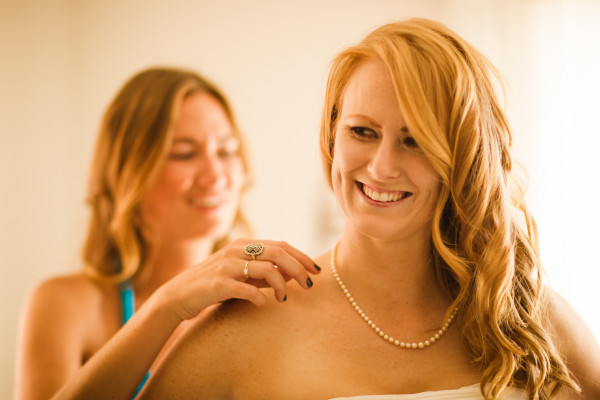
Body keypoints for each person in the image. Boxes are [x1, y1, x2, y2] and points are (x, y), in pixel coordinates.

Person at [136, 19, 600, 400]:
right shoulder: (249, 321)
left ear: (463, 159)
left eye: (414, 140)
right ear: (332, 135)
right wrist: (164, 306)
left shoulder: (522, 316)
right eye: (362, 132)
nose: (381, 167)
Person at [14, 66, 321, 400]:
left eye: (226, 150)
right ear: (128, 171)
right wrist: (167, 304)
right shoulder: (65, 304)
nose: (215, 175)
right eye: (184, 153)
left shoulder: (267, 300)